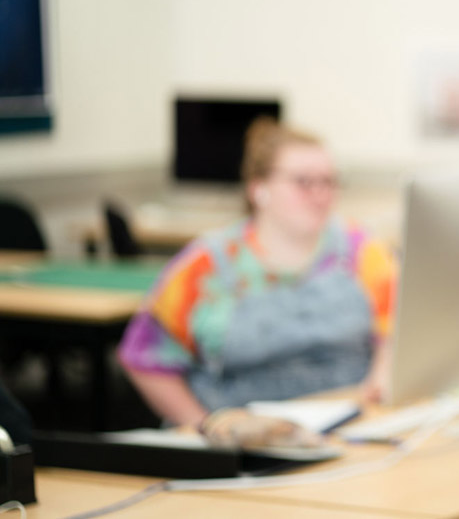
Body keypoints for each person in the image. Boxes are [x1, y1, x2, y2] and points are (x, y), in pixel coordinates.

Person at [118, 118, 395, 447]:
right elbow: (142, 357)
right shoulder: (206, 265)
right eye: (303, 182)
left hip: (346, 438)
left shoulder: (362, 249)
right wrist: (204, 427)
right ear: (258, 188)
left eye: (329, 181)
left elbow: (394, 329)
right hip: (244, 448)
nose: (320, 194)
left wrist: (382, 376)